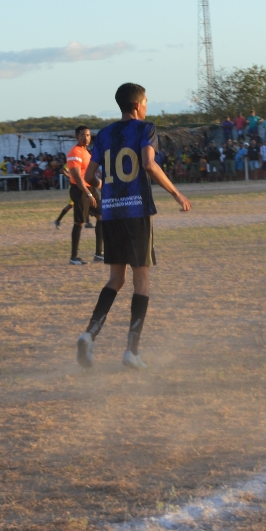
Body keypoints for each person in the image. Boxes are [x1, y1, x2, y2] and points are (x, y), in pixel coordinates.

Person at [75, 83, 191, 371]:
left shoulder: (104, 134)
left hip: (111, 213)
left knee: (116, 279)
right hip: (136, 211)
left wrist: (107, 185)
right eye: (146, 101)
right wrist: (176, 194)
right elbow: (149, 165)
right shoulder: (145, 128)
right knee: (141, 281)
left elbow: (89, 176)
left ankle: (89, 334)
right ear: (138, 105)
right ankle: (132, 351)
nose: (147, 106)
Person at [63, 125, 103, 265]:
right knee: (79, 222)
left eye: (88, 135)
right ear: (76, 137)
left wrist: (100, 186)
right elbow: (77, 177)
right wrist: (88, 194)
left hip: (89, 188)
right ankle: (74, 257)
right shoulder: (75, 152)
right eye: (82, 135)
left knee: (102, 216)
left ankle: (98, 254)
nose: (86, 138)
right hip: (80, 190)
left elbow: (89, 174)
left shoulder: (86, 152)